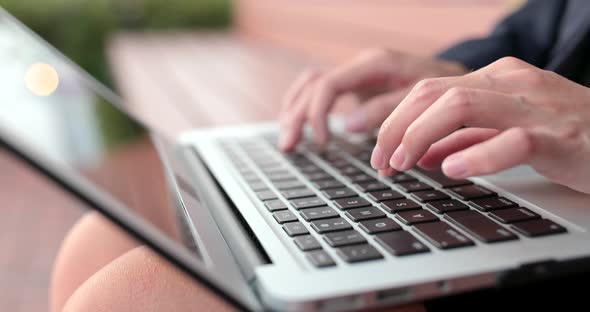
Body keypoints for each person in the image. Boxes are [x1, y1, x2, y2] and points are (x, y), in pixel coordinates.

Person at [51, 1, 590, 311]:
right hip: (532, 172)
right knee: (101, 239)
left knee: (128, 301)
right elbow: (552, 20)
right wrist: (454, 73)